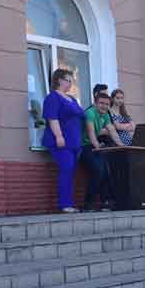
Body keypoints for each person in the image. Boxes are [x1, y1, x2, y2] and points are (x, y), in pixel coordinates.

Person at [42, 68, 84, 213]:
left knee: (71, 171)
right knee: (66, 168)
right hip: (61, 143)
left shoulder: (72, 99)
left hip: (75, 143)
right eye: (68, 80)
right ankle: (65, 204)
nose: (70, 84)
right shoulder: (52, 97)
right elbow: (52, 118)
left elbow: (81, 116)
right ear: (59, 80)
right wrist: (59, 136)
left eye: (72, 81)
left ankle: (70, 203)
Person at [81, 93, 124, 211]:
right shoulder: (89, 113)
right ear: (95, 103)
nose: (104, 106)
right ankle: (88, 204)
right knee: (98, 171)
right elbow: (90, 133)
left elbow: (112, 130)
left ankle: (106, 203)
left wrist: (121, 145)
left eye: (107, 104)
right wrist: (97, 146)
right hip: (85, 147)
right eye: (101, 103)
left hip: (96, 147)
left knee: (106, 172)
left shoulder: (105, 116)